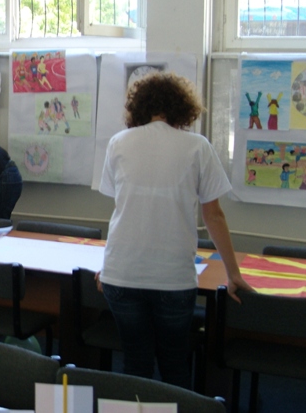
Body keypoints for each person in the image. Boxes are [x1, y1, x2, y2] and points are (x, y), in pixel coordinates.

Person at [98, 72, 253, 389]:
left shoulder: (118, 142)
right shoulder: (197, 146)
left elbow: (124, 210)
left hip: (120, 274)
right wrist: (233, 273)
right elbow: (214, 215)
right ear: (183, 107)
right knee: (174, 365)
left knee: (135, 364)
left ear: (138, 106)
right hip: (172, 279)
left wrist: (108, 266)